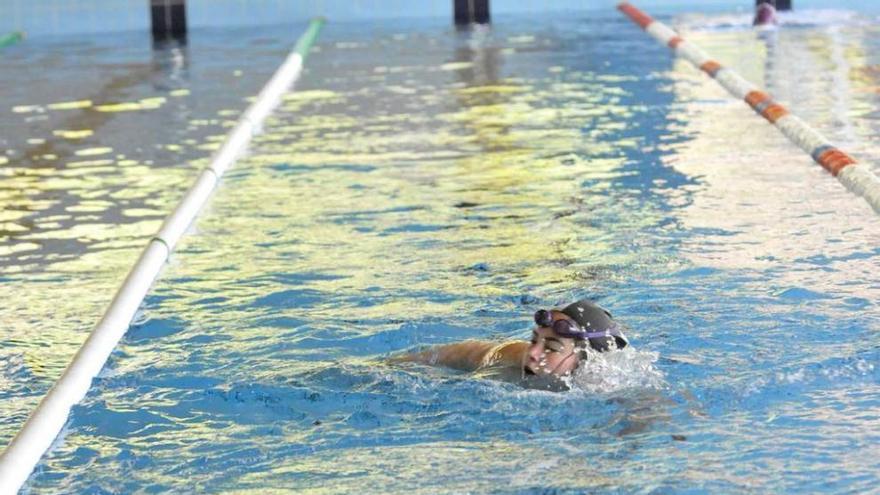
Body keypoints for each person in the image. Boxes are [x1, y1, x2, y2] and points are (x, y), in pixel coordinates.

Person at [392, 299, 629, 390]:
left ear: (589, 360)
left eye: (552, 348)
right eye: (534, 340)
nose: (533, 353)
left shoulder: (609, 387)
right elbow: (449, 354)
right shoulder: (512, 357)